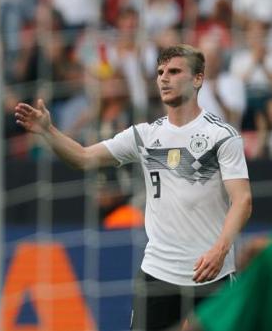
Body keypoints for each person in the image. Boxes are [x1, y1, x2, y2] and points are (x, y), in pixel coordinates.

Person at [15, 44, 252, 331]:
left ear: (198, 79)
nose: (164, 78)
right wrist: (47, 131)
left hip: (211, 273)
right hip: (157, 273)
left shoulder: (221, 136)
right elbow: (84, 157)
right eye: (160, 72)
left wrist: (220, 250)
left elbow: (243, 201)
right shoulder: (145, 135)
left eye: (174, 71)